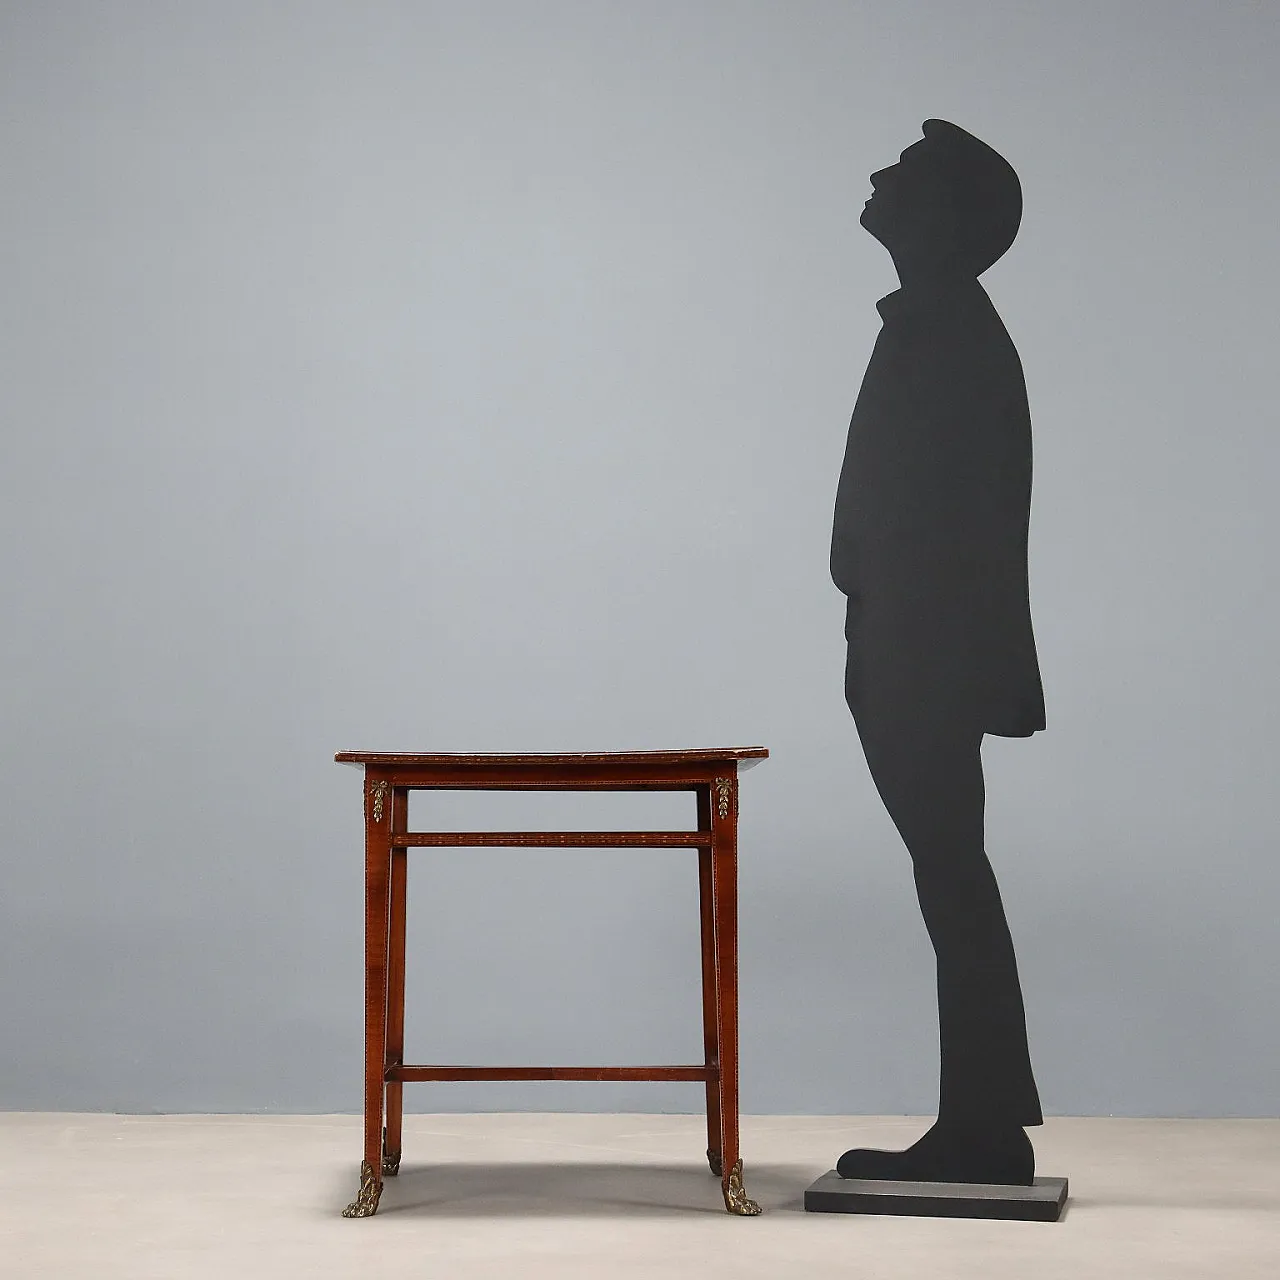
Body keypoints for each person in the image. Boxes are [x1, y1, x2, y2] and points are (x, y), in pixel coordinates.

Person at [831, 119, 1045, 1185]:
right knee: (950, 872)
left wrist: (900, 637)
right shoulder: (936, 325)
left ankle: (984, 1123)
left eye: (905, 173)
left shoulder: (950, 333)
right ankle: (983, 1117)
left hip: (924, 650)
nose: (878, 175)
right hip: (910, 643)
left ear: (947, 217)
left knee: (950, 874)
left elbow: (954, 519)